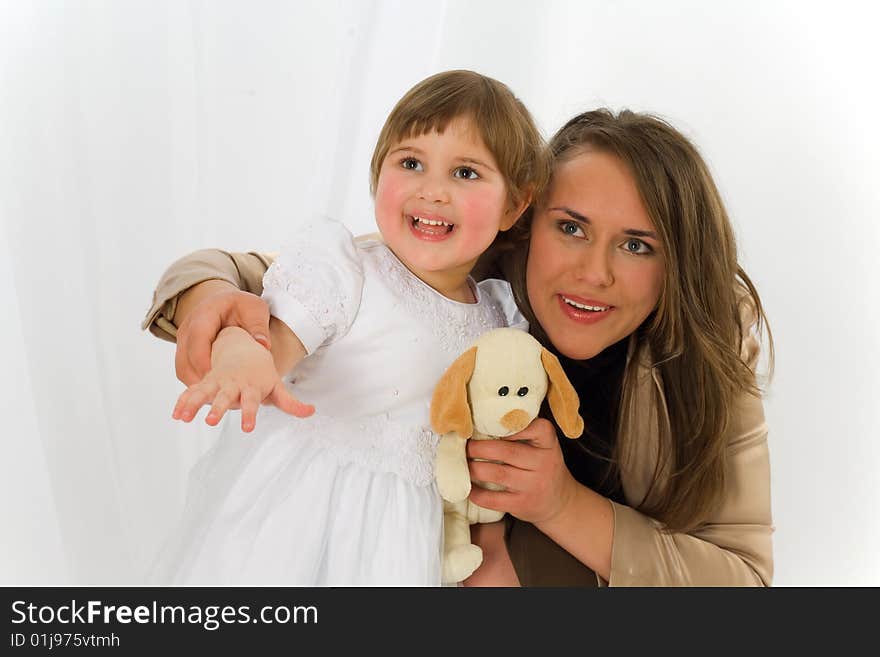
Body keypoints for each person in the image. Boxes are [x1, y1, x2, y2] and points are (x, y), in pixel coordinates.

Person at [144, 108, 774, 586]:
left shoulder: (705, 354)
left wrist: (560, 506)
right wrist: (204, 298)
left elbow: (741, 579)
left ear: (679, 265)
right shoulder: (473, 273)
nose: (594, 273)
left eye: (637, 244)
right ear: (524, 219)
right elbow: (277, 275)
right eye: (571, 228)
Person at [148, 70, 549, 586]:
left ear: (514, 205)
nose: (433, 191)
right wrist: (240, 356)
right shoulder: (347, 271)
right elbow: (270, 346)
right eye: (411, 163)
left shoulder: (498, 314)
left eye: (465, 174)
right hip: (303, 508)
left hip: (403, 534)